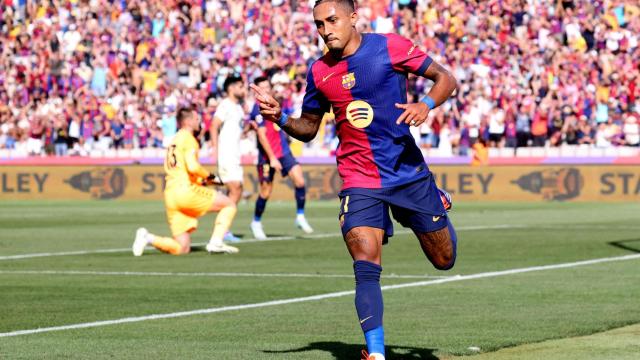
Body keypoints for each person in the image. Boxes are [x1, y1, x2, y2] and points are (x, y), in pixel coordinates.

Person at [250, 1, 458, 359]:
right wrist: (280, 118)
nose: (326, 29)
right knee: (365, 262)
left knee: (444, 259)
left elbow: (446, 79)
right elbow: (309, 128)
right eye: (319, 24)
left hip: (407, 172)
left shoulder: (389, 47)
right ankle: (376, 353)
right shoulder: (319, 71)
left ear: (352, 18)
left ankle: (429, 202)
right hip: (358, 176)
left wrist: (425, 104)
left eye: (332, 20)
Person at [133, 106, 239, 256]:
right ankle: (216, 242)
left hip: (171, 195)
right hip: (184, 190)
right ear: (188, 122)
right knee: (229, 204)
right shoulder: (189, 139)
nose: (199, 121)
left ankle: (148, 237)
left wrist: (203, 181)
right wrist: (211, 177)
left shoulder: (174, 140)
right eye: (196, 119)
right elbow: (193, 167)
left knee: (182, 248)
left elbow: (184, 169)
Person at [249, 76, 313, 240]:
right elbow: (262, 135)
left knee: (299, 180)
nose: (265, 90)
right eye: (261, 88)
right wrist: (271, 158)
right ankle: (256, 222)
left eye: (267, 87)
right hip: (267, 156)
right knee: (265, 191)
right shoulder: (257, 109)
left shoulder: (276, 102)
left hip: (283, 151)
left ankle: (300, 216)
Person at [210, 75, 247, 243]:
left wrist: (248, 129)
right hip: (226, 154)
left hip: (235, 154)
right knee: (235, 188)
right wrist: (215, 150)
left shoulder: (239, 107)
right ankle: (223, 229)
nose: (243, 89)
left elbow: (234, 130)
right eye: (240, 86)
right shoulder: (225, 105)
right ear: (231, 88)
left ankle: (223, 227)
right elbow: (214, 125)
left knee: (235, 190)